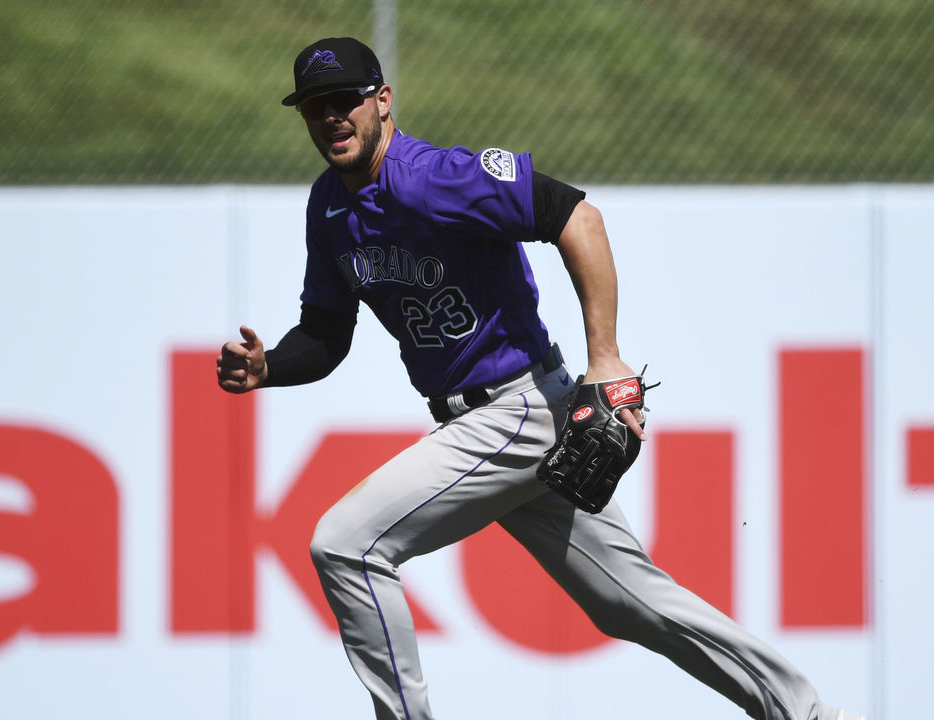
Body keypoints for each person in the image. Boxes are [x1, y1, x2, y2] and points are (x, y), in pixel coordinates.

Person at [216, 36, 864, 720]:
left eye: (345, 100)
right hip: (478, 422)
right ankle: (808, 712)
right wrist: (269, 368)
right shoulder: (329, 206)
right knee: (629, 603)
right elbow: (325, 333)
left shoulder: (434, 177)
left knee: (345, 543)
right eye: (316, 106)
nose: (331, 117)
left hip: (517, 409)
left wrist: (605, 358)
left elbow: (576, 217)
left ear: (382, 102)